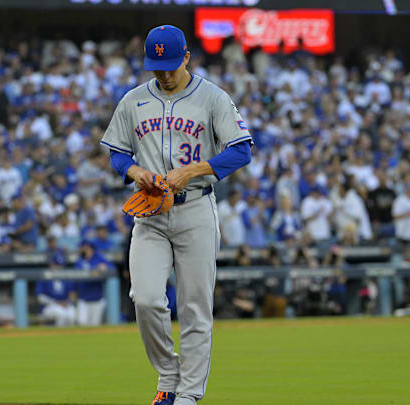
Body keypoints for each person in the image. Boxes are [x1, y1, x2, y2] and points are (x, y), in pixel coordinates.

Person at [99, 25, 252, 405]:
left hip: (196, 207)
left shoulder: (213, 98)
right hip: (149, 213)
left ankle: (187, 394)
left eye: (170, 65)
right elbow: (117, 152)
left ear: (186, 57)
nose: (164, 74)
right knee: (147, 298)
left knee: (195, 307)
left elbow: (240, 150)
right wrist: (134, 172)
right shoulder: (133, 101)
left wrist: (193, 170)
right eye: (157, 67)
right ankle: (168, 373)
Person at [35, 251, 76, 327]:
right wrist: (55, 302)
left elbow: (72, 295)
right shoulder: (44, 276)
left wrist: (68, 302)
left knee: (72, 315)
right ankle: (60, 336)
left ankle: (70, 336)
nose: (58, 267)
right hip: (49, 306)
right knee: (61, 314)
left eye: (60, 265)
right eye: (56, 264)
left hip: (65, 305)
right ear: (51, 264)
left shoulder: (66, 277)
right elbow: (40, 298)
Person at [75, 241, 110, 326]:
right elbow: (78, 272)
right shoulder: (80, 260)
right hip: (83, 299)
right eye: (83, 248)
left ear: (91, 249)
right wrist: (95, 269)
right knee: (82, 323)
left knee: (95, 325)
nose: (84, 250)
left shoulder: (99, 258)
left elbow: (112, 267)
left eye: (87, 248)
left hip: (97, 299)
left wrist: (105, 267)